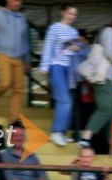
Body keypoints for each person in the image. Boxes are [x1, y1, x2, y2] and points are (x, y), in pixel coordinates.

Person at [79, 18, 112, 148]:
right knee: (104, 110)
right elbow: (109, 53)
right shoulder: (110, 31)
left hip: (106, 79)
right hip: (102, 80)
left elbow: (109, 63)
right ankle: (85, 138)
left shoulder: (109, 32)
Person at [0, 0, 30, 121]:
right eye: (15, 0)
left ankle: (14, 120)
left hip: (18, 57)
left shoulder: (22, 18)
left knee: (18, 90)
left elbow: (24, 41)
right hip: (1, 53)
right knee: (4, 83)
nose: (18, 3)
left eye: (20, 1)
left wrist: (27, 59)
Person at [39, 3, 81, 147]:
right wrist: (44, 66)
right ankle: (56, 131)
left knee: (66, 100)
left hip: (69, 69)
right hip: (56, 66)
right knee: (65, 100)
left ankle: (62, 132)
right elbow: (48, 47)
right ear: (63, 12)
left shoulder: (74, 32)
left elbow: (75, 49)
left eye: (74, 14)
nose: (72, 17)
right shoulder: (54, 28)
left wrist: (75, 48)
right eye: (70, 13)